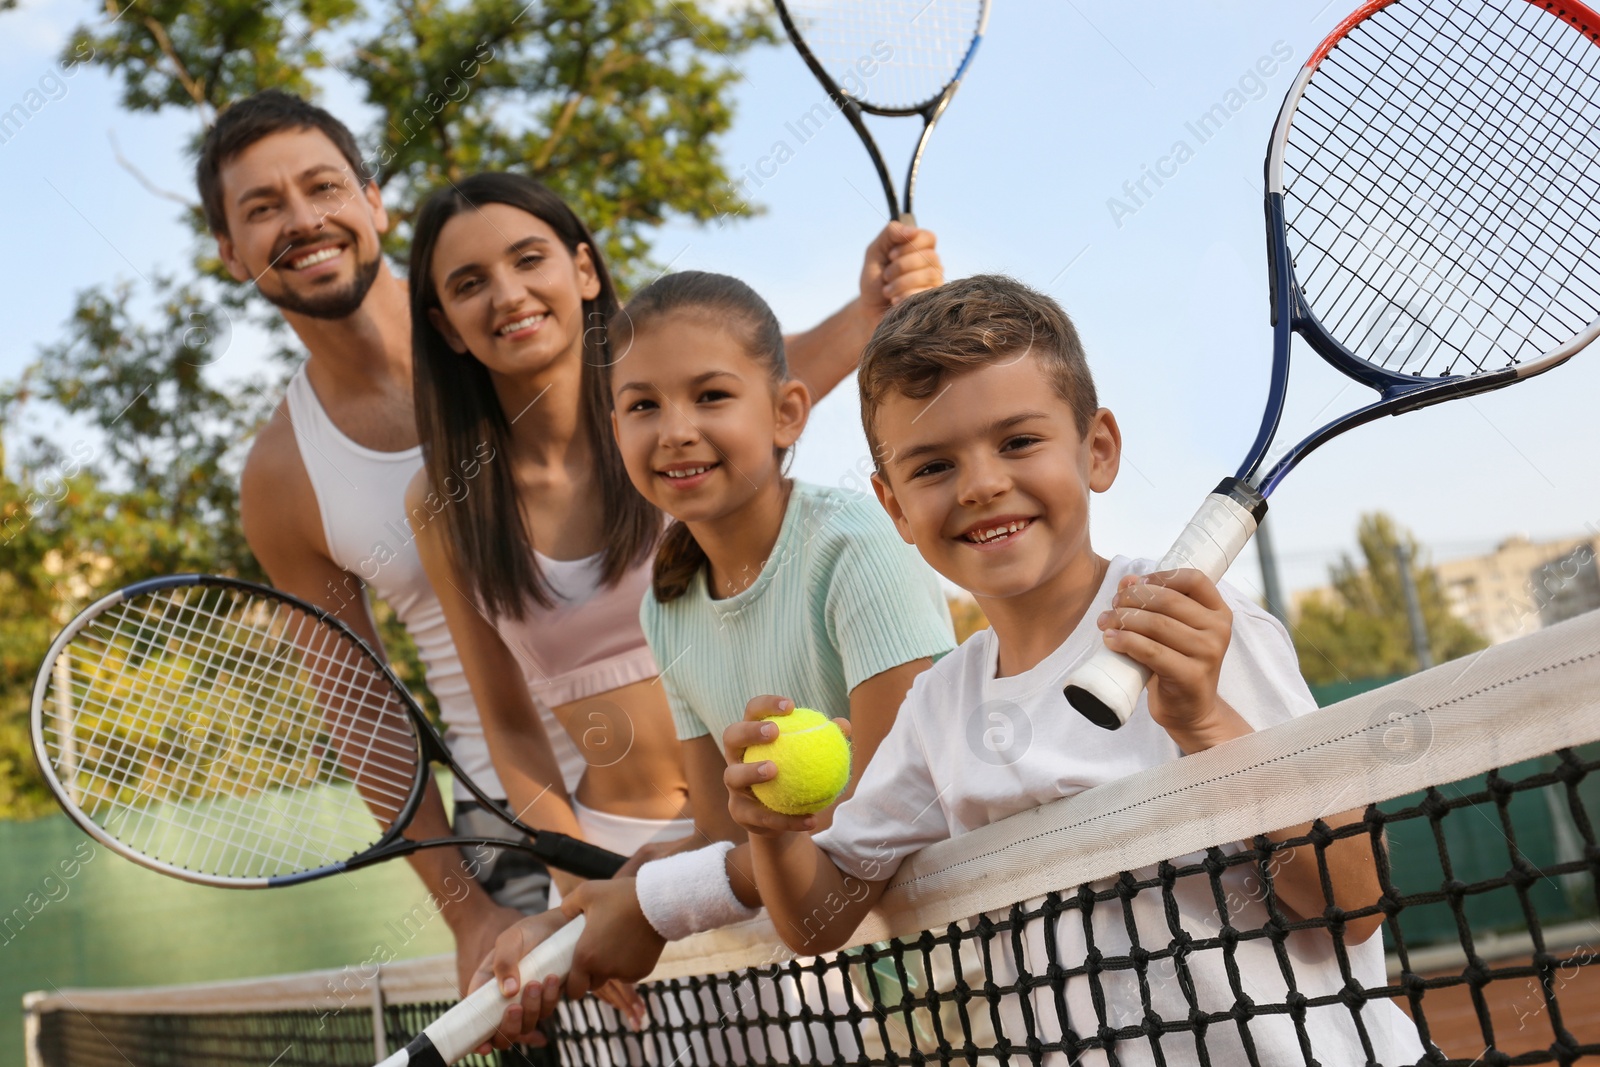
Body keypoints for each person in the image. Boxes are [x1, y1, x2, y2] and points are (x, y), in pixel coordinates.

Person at [483, 275, 1424, 1064]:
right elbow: (824, 913)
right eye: (933, 466)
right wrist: (772, 833)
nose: (980, 483)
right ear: (893, 503)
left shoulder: (1203, 632)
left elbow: (1354, 903)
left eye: (1018, 442)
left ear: (1097, 450)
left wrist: (1207, 722)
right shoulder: (942, 706)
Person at [199, 88, 944, 993]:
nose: (302, 218)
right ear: (228, 251)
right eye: (261, 206)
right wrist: (507, 902)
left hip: (747, 822)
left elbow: (747, 390)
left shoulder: (656, 418)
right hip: (557, 842)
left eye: (320, 185)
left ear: (371, 199)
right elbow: (367, 711)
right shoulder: (321, 482)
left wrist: (873, 312)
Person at [457, 269, 957, 1052]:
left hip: (978, 947)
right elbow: (721, 830)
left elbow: (891, 807)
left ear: (788, 412)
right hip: (869, 1002)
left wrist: (656, 905)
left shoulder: (856, 544)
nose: (675, 429)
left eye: (711, 396)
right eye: (642, 405)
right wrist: (572, 919)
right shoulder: (667, 604)